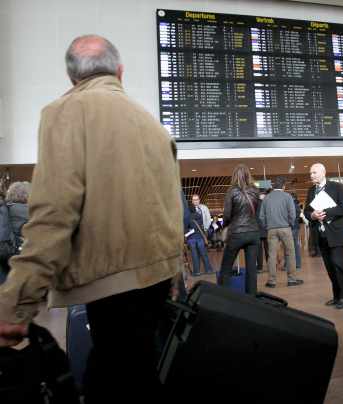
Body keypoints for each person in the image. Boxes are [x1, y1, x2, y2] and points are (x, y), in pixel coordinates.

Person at [0, 35, 182, 403]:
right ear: (119, 71)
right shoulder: (152, 124)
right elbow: (170, 208)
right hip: (158, 277)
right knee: (137, 375)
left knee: (114, 381)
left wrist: (17, 302)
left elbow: (53, 211)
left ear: (72, 78)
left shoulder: (66, 111)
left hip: (111, 284)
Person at [304, 163, 343, 309]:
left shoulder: (337, 187)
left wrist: (325, 212)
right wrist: (312, 214)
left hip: (335, 233)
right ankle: (336, 296)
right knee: (330, 267)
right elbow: (306, 211)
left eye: (314, 173)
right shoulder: (311, 191)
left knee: (338, 265)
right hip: (321, 235)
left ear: (323, 173)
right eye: (310, 173)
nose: (311, 175)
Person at [218, 164, 260, 295]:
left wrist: (225, 226)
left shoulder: (232, 191)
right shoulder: (255, 190)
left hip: (236, 234)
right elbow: (256, 212)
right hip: (253, 233)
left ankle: (224, 297)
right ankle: (251, 298)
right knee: (252, 270)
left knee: (225, 268)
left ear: (234, 175)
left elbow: (227, 215)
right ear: (248, 175)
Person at [259, 177, 303, 288]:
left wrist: (267, 226)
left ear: (274, 186)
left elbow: (261, 216)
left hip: (271, 230)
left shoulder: (266, 198)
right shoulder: (287, 197)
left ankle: (271, 281)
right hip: (285, 228)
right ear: (283, 186)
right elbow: (292, 214)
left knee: (272, 255)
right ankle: (291, 279)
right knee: (290, 253)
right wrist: (290, 224)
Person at [185, 194, 214, 275]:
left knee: (195, 255)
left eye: (197, 199)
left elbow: (208, 219)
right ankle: (208, 270)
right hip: (199, 236)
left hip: (192, 237)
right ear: (192, 201)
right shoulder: (198, 215)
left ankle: (196, 272)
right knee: (203, 253)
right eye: (194, 200)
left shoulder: (202, 208)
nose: (195, 201)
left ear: (199, 200)